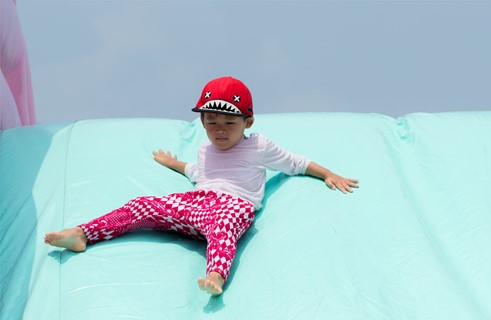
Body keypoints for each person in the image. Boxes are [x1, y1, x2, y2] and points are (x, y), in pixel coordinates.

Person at [44, 76, 359, 296]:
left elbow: (296, 162)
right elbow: (198, 173)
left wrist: (328, 174)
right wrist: (173, 164)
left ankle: (215, 276)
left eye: (229, 124)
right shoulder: (205, 150)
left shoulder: (258, 146)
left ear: (248, 122)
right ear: (203, 122)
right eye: (212, 123)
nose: (220, 131)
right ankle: (83, 234)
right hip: (196, 205)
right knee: (142, 205)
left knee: (223, 228)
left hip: (233, 205)